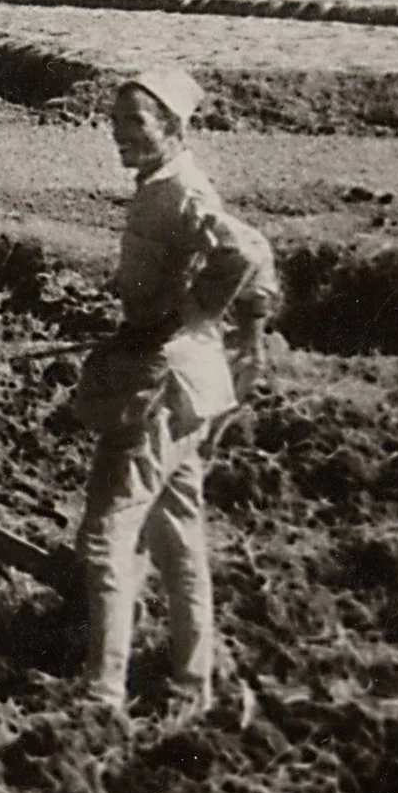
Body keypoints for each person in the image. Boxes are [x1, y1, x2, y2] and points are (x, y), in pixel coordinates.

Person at [70, 66, 278, 727]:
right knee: (178, 535)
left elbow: (241, 250)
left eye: (136, 123)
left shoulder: (177, 189)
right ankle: (192, 688)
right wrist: (203, 320)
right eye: (115, 123)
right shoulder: (161, 187)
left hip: (161, 387)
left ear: (173, 126)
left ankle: (102, 699)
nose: (120, 135)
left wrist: (183, 317)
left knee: (107, 538)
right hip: (194, 385)